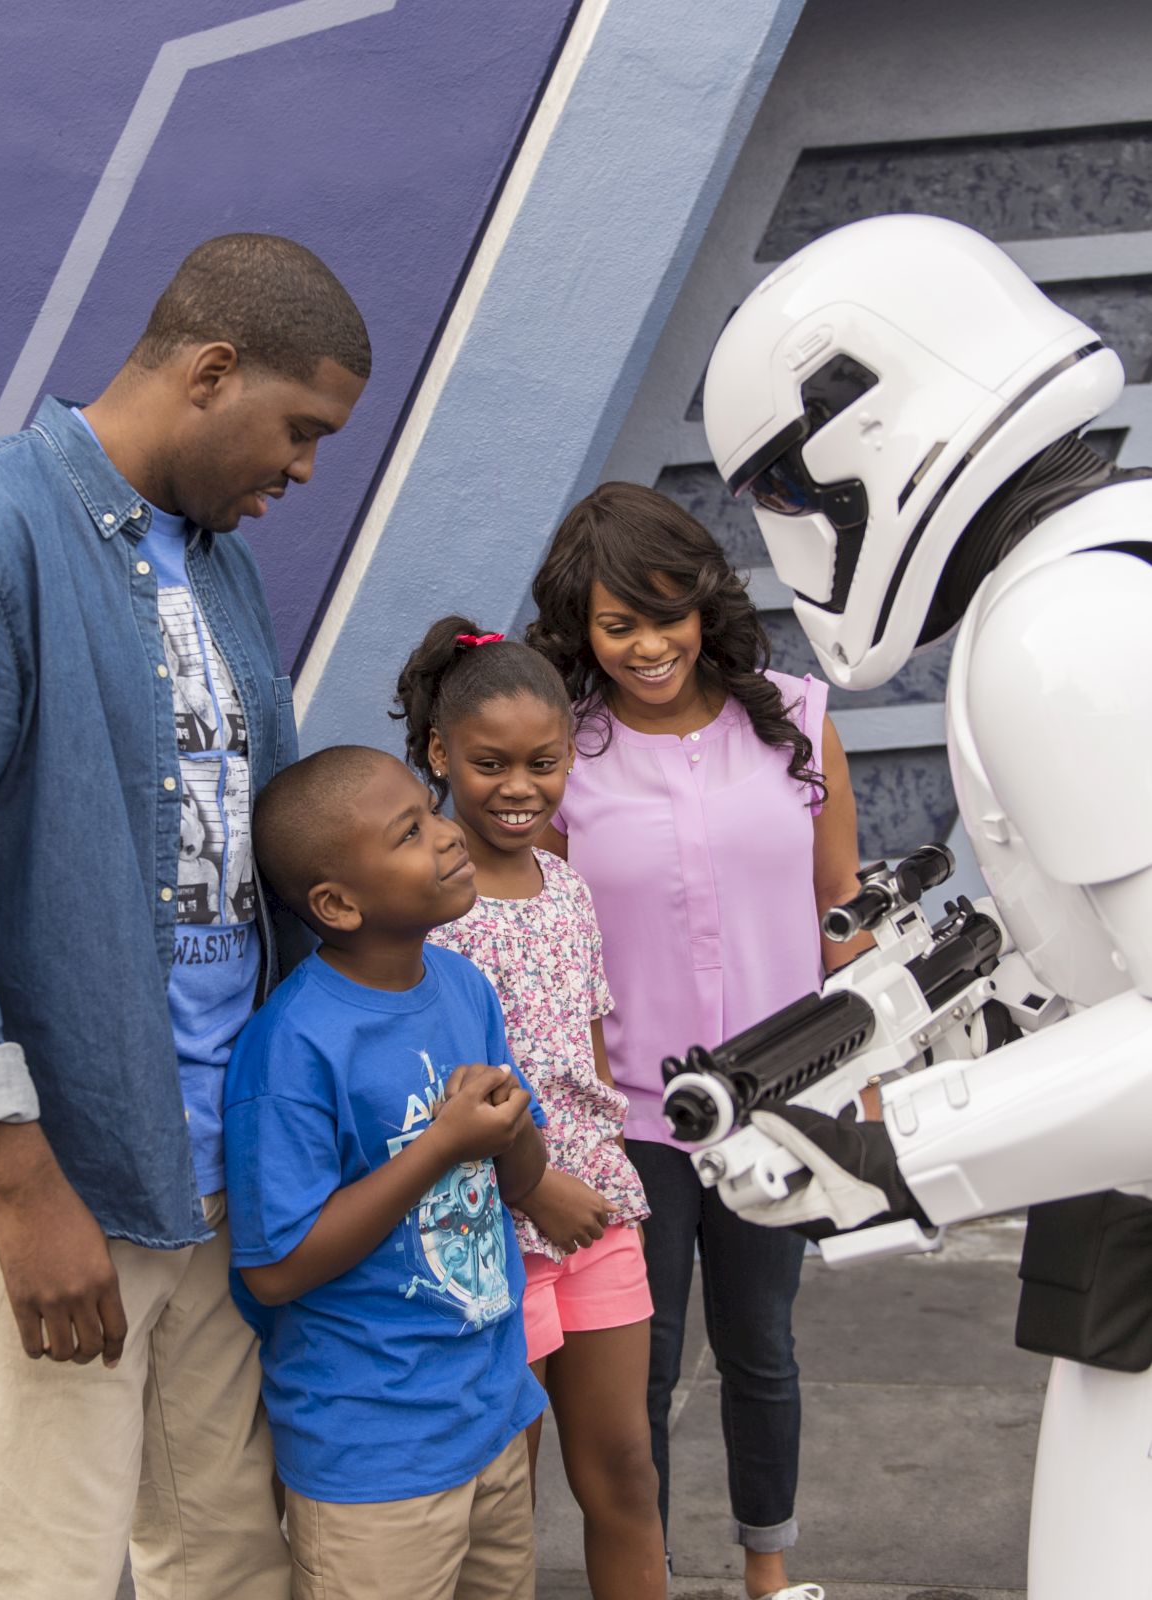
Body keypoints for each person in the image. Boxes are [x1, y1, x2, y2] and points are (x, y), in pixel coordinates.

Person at [0, 233, 370, 1600]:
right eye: (300, 428)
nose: (305, 470)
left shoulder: (218, 565)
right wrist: (21, 1184)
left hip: (212, 1169)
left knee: (233, 1567)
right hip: (55, 1175)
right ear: (208, 371)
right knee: (46, 1578)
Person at [695, 213, 1152, 1600]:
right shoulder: (1110, 552)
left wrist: (890, 1144)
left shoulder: (1060, 627)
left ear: (861, 430)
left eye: (785, 490)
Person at [527, 482, 870, 1600]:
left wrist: (866, 1072)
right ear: (581, 628)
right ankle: (651, 1576)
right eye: (615, 625)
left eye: (663, 616)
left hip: (783, 1107)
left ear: (702, 604)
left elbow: (841, 905)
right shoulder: (565, 755)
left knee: (762, 1349)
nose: (646, 647)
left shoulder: (798, 718)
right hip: (630, 1120)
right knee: (645, 1366)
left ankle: (770, 1573)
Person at [224, 744, 549, 1600]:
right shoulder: (294, 1044)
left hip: (489, 1415)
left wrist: (508, 1129)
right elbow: (275, 1267)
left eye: (433, 812)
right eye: (411, 832)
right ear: (337, 902)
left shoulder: (464, 986)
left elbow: (521, 1180)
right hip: (374, 1456)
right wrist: (438, 1147)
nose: (447, 837)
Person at [392, 618, 666, 1600]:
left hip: (593, 1212)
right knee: (507, 1491)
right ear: (439, 754)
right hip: (492, 1222)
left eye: (543, 763)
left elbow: (588, 1059)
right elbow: (443, 1085)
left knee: (626, 1466)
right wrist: (536, 1185)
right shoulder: (423, 902)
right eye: (490, 763)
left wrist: (592, 1176)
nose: (520, 786)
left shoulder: (569, 886)